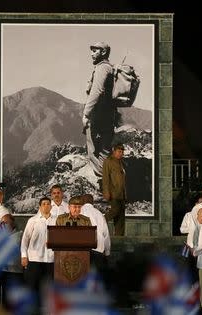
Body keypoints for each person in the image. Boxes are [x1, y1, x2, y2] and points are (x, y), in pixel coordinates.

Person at [83, 41, 116, 177]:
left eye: (95, 51)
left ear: (103, 52)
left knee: (95, 151)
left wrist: (86, 114)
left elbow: (96, 92)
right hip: (109, 115)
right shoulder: (109, 68)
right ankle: (113, 185)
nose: (91, 53)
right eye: (91, 50)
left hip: (99, 116)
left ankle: (105, 185)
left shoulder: (102, 68)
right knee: (105, 151)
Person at [21, 197, 56, 294]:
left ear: (51, 206)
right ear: (40, 207)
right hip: (35, 258)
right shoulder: (33, 220)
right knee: (33, 287)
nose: (46, 206)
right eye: (43, 204)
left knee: (49, 288)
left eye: (48, 204)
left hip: (51, 259)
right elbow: (25, 239)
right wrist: (24, 255)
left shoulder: (56, 220)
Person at [80, 194, 110, 275]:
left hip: (82, 249)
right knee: (96, 277)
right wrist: (107, 252)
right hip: (98, 248)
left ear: (82, 201)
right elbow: (106, 234)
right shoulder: (99, 214)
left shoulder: (78, 212)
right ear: (92, 202)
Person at [102, 143, 126, 236]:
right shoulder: (108, 161)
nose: (121, 153)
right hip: (114, 193)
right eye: (119, 151)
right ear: (114, 151)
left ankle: (120, 238)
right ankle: (101, 222)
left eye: (122, 152)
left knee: (120, 218)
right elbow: (105, 178)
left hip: (121, 194)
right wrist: (106, 192)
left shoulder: (121, 162)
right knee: (114, 211)